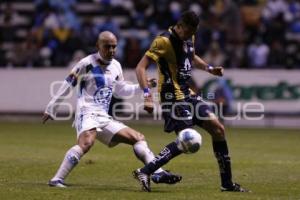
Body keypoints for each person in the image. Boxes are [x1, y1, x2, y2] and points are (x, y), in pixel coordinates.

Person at [42, 31, 182, 188]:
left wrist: (143, 86)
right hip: (86, 113)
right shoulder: (85, 64)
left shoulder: (116, 66)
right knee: (86, 143)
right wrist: (52, 108)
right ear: (98, 46)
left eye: (114, 47)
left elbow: (120, 91)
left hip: (103, 116)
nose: (112, 50)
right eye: (107, 47)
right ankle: (56, 179)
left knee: (138, 138)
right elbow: (68, 84)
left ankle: (157, 172)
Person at [133, 11, 249, 192]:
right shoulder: (162, 41)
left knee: (218, 129)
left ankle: (227, 184)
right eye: (186, 32)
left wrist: (209, 69)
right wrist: (147, 95)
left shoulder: (190, 37)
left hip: (188, 94)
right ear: (179, 26)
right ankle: (145, 171)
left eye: (191, 33)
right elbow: (140, 67)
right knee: (188, 139)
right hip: (172, 97)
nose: (188, 36)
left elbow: (191, 56)